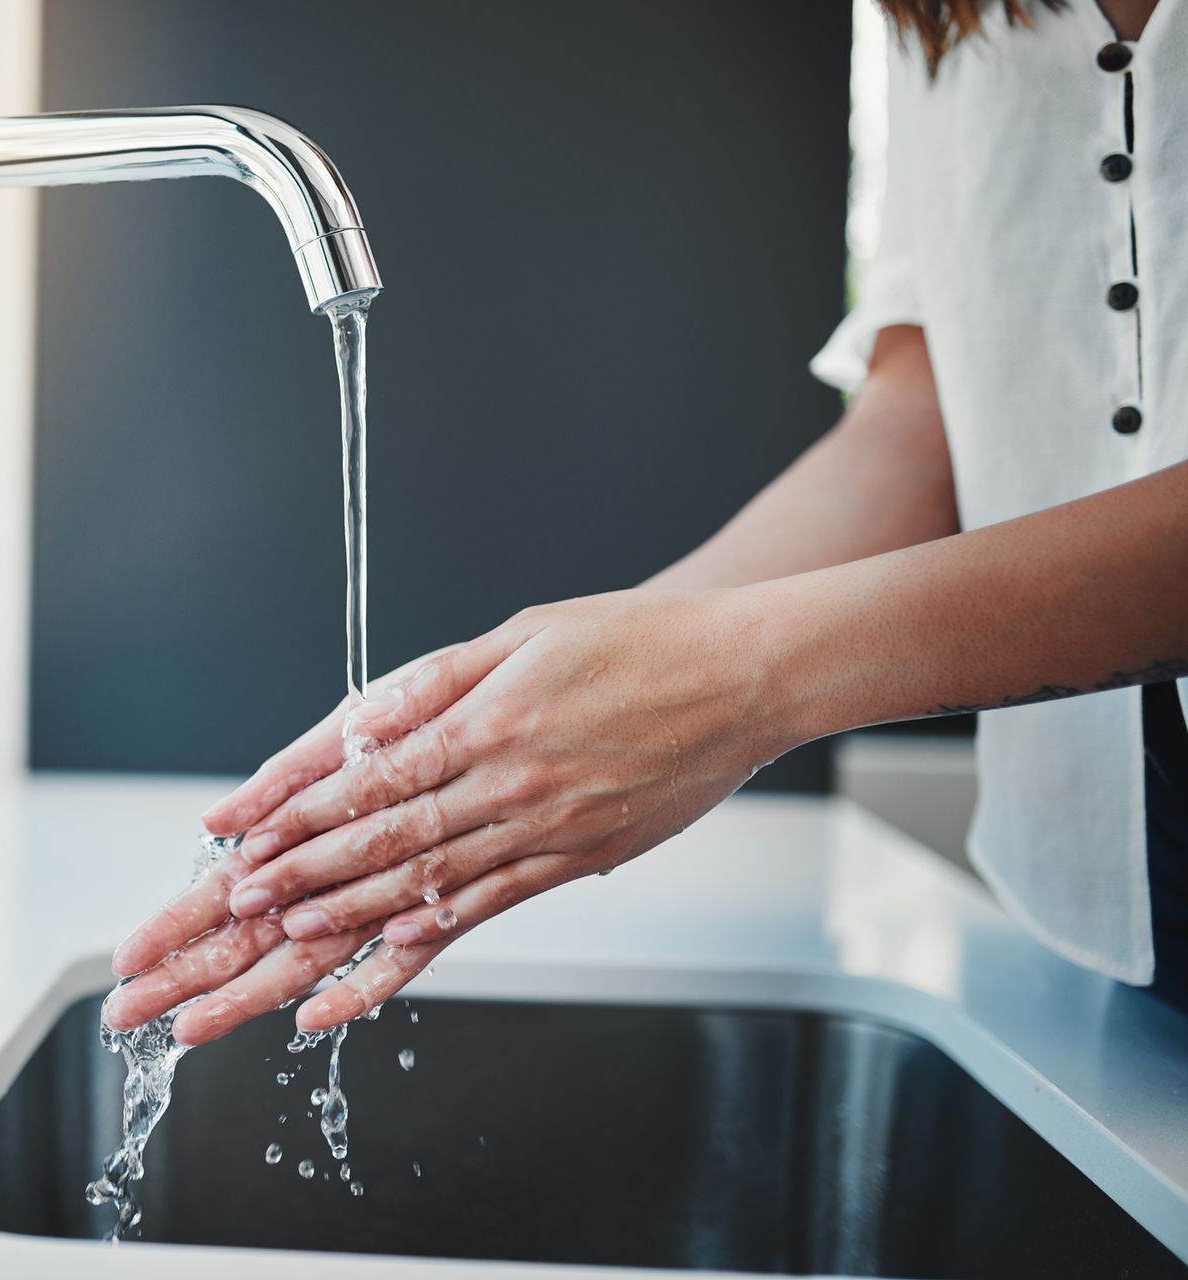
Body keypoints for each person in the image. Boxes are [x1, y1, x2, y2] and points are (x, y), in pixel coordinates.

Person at [102, 0, 1188, 1045]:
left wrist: (737, 682)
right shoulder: (935, 10)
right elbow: (933, 417)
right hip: (1101, 917)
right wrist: (530, 703)